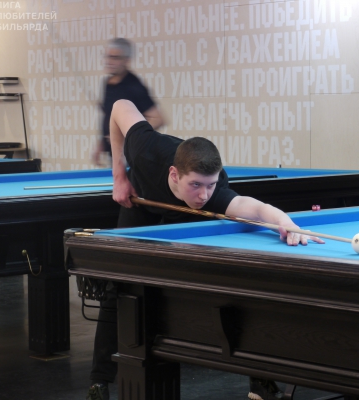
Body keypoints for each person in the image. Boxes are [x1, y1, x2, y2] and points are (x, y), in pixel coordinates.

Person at [85, 99, 324, 400]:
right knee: (117, 284)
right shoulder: (147, 150)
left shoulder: (212, 192)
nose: (204, 195)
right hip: (142, 203)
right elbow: (120, 106)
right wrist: (119, 175)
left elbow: (252, 207)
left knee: (225, 284)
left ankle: (260, 377)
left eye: (210, 185)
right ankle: (99, 383)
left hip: (187, 217)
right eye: (196, 185)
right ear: (175, 174)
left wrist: (285, 222)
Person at [93, 38, 165, 166]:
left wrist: (125, 134)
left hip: (134, 158)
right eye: (108, 56)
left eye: (115, 58)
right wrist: (101, 146)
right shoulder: (108, 83)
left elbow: (158, 119)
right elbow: (109, 117)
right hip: (115, 155)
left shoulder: (134, 86)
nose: (109, 61)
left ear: (126, 60)